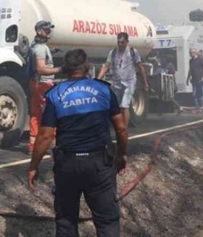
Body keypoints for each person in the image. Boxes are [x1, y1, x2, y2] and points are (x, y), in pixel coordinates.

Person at [28, 49, 128, 237]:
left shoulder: (55, 95)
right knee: (107, 221)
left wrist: (33, 166)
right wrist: (121, 155)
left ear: (65, 68)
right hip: (100, 165)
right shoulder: (104, 90)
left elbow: (45, 136)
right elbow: (121, 129)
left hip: (68, 166)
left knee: (66, 221)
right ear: (88, 65)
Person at [96, 32, 149, 126]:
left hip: (129, 83)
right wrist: (98, 80)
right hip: (117, 84)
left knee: (124, 106)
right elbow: (106, 66)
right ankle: (118, 126)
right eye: (118, 42)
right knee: (115, 106)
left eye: (122, 42)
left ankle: (124, 129)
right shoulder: (112, 53)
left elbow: (140, 67)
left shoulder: (133, 52)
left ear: (127, 42)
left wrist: (145, 82)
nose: (120, 44)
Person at [28, 20, 63, 154]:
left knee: (36, 114)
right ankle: (50, 142)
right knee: (50, 113)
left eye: (49, 29)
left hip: (36, 83)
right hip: (44, 84)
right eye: (46, 29)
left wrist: (51, 52)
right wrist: (60, 69)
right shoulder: (40, 48)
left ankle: (32, 144)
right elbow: (41, 69)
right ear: (39, 31)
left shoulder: (36, 45)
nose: (49, 32)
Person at [186, 48, 203, 114]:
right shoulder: (191, 61)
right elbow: (190, 70)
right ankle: (197, 108)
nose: (190, 54)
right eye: (190, 53)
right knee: (194, 94)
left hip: (201, 80)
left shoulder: (200, 59)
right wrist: (187, 79)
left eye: (192, 53)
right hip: (194, 80)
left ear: (195, 53)